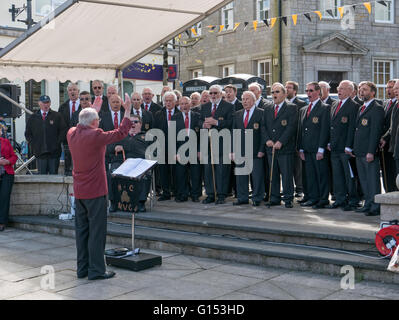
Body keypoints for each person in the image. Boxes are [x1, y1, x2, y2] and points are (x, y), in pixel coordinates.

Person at [67, 95, 132, 280]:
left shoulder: (71, 133)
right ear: (94, 123)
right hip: (95, 191)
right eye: (98, 119)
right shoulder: (95, 135)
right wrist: (126, 111)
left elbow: (83, 121)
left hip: (79, 192)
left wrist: (94, 109)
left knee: (82, 232)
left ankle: (82, 269)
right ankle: (96, 270)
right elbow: (120, 133)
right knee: (97, 232)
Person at [262, 83, 298, 208]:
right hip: (270, 147)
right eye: (272, 92)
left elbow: (291, 127)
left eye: (277, 92)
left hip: (285, 148)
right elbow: (263, 126)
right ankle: (274, 197)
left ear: (284, 94)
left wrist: (281, 141)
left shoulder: (291, 107)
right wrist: (267, 140)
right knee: (273, 174)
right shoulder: (267, 107)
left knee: (287, 175)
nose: (274, 95)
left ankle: (288, 198)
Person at [108, 115, 152, 213]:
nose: (133, 124)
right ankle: (113, 202)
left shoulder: (147, 137)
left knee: (146, 174)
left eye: (136, 122)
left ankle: (141, 202)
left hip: (139, 163)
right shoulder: (119, 135)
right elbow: (108, 149)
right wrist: (114, 148)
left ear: (140, 124)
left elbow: (155, 151)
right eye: (130, 122)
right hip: (121, 162)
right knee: (112, 174)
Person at [353, 81, 384, 216]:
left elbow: (375, 132)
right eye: (360, 89)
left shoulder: (376, 108)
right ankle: (368, 203)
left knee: (372, 180)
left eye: (364, 90)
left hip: (369, 151)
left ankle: (375, 206)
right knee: (364, 180)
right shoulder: (362, 107)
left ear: (372, 92)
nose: (361, 92)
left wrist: (371, 151)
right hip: (359, 150)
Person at [199, 85, 234, 205]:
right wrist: (204, 125)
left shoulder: (228, 106)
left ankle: (221, 195)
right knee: (208, 170)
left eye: (216, 93)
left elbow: (231, 123)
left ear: (220, 94)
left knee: (221, 170)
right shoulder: (205, 106)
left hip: (222, 143)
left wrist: (216, 122)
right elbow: (199, 121)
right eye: (211, 93)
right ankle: (210, 194)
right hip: (208, 144)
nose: (213, 95)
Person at [327, 80, 359, 211]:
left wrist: (349, 146)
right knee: (337, 175)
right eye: (339, 88)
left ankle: (352, 200)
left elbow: (352, 128)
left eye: (343, 88)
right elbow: (331, 126)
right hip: (334, 147)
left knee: (349, 175)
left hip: (345, 148)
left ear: (350, 91)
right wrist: (329, 142)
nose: (339, 90)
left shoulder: (354, 106)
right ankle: (340, 199)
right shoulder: (335, 104)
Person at [298, 82, 330, 209]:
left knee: (321, 174)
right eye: (307, 91)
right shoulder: (304, 109)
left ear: (318, 92)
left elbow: (324, 130)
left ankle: (322, 199)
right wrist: (300, 148)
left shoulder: (324, 108)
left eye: (311, 91)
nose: (308, 93)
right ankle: (312, 197)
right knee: (310, 175)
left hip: (317, 148)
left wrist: (321, 149)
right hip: (306, 148)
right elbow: (301, 130)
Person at [232, 91, 265, 206]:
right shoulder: (237, 114)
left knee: (257, 177)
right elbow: (234, 133)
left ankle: (257, 198)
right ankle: (242, 197)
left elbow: (263, 134)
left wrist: (262, 149)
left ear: (254, 100)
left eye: (247, 99)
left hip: (256, 151)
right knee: (241, 176)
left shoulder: (261, 113)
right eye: (243, 99)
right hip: (241, 151)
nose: (245, 101)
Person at [25, 95, 67, 175]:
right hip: (40, 153)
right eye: (43, 103)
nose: (46, 105)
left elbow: (63, 131)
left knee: (54, 176)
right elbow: (28, 133)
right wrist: (34, 144)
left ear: (50, 103)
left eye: (47, 102)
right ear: (39, 103)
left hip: (54, 153)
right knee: (42, 177)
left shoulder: (57, 116)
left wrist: (57, 143)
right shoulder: (33, 117)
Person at [172, 96, 202, 202]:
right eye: (182, 104)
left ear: (190, 104)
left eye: (186, 103)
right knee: (181, 174)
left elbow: (201, 136)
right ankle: (182, 194)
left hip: (194, 149)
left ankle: (195, 194)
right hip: (180, 150)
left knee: (196, 173)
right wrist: (175, 153)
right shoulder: (174, 117)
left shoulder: (197, 116)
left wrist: (199, 150)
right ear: (179, 105)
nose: (184, 106)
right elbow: (172, 136)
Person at [153, 91, 181, 201]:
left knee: (176, 170)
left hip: (177, 147)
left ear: (175, 101)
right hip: (162, 147)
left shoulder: (179, 114)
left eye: (170, 101)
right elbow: (155, 131)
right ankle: (166, 192)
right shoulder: (158, 114)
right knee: (163, 171)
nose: (168, 103)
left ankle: (176, 191)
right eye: (166, 101)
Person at [285, 81, 306, 200]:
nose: (287, 89)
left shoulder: (301, 104)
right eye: (286, 87)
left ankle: (299, 189)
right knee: (287, 167)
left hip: (296, 138)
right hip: (285, 141)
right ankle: (289, 189)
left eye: (289, 88)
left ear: (295, 91)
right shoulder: (282, 103)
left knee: (298, 167)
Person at [379, 79, 398, 192]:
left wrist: (385, 138)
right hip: (387, 146)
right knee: (387, 174)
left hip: (394, 144)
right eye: (388, 87)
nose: (390, 90)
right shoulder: (386, 103)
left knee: (395, 173)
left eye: (393, 87)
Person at [58, 82, 80, 176]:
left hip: (81, 139)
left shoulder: (84, 106)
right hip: (67, 140)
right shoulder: (62, 107)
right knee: (68, 163)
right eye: (70, 90)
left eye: (74, 90)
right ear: (67, 92)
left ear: (78, 91)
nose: (72, 92)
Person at [0, 132, 17, 232]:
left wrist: (8, 161)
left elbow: (14, 156)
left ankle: (2, 222)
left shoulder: (6, 142)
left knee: (4, 197)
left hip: (7, 173)